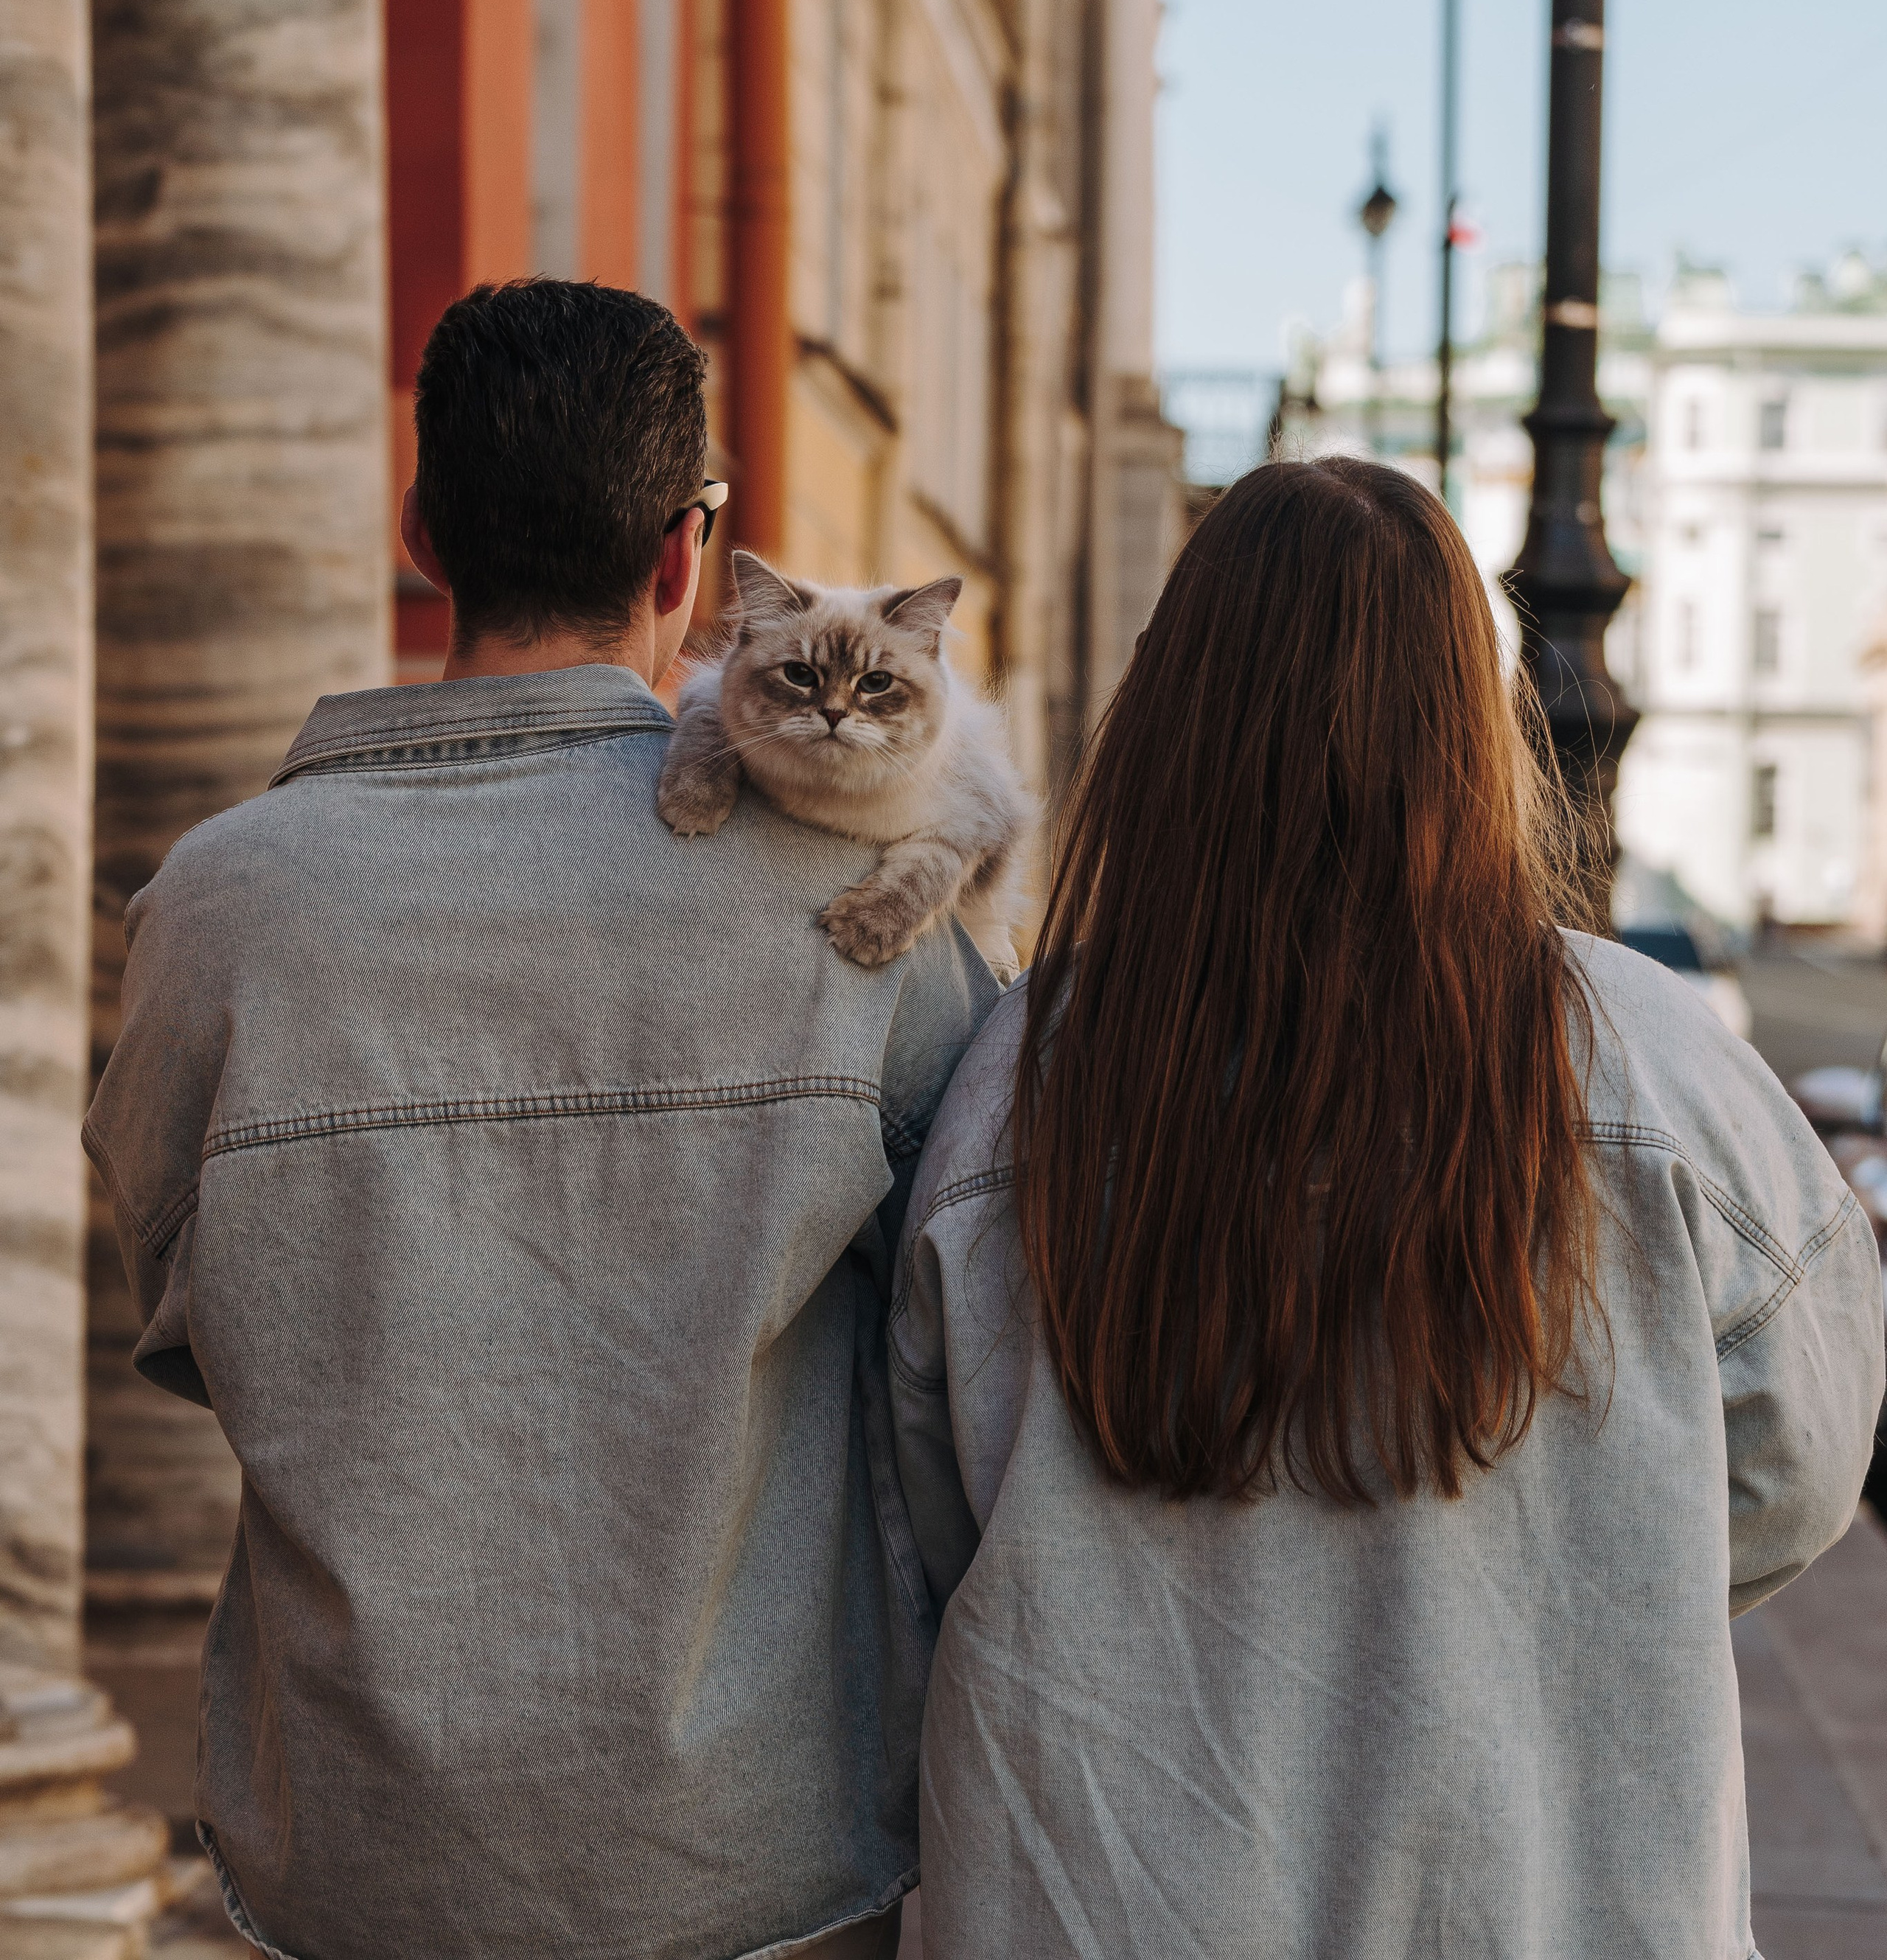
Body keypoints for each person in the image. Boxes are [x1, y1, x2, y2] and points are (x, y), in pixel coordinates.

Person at [85, 280, 995, 1960]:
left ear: (421, 528)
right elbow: (969, 1346)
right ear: (681, 560)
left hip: (357, 1861)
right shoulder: (856, 896)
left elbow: (189, 1311)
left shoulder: (214, 907)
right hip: (757, 1866)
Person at [892, 455, 1885, 1959]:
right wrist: (1588, 1559)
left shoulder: (1012, 1085)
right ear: (1465, 720)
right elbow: (1800, 1464)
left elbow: (920, 1508)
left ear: (1173, 719)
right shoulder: (1656, 1063)